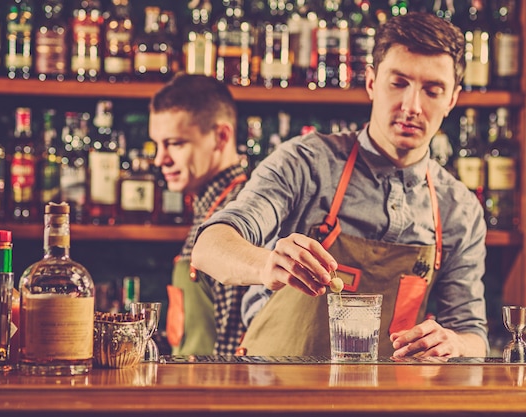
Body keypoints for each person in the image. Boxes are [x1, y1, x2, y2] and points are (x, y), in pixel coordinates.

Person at [191, 11, 489, 358]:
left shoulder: (459, 210)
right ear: (371, 82)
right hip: (273, 391)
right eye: (398, 83)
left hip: (386, 401)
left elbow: (471, 332)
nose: (412, 106)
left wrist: (456, 343)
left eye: (432, 90)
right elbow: (209, 246)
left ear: (452, 99)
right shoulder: (307, 162)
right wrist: (266, 263)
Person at [149, 73, 248, 356]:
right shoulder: (208, 204)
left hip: (214, 393)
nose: (160, 159)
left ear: (221, 137)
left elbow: (233, 344)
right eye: (157, 144)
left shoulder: (238, 210)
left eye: (175, 143)